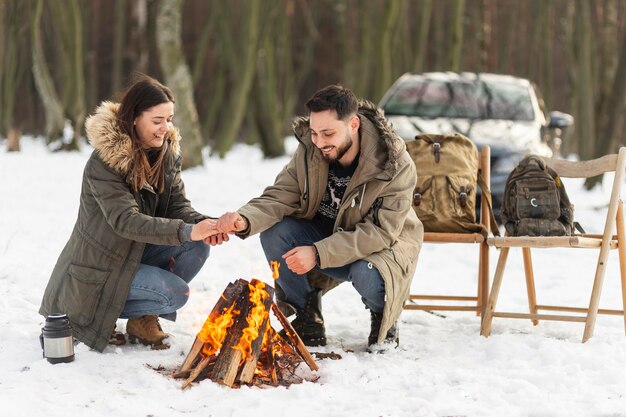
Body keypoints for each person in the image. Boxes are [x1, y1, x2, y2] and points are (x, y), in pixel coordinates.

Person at [217, 85, 423, 350]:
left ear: (354, 124)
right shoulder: (311, 150)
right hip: (327, 238)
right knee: (276, 232)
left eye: (328, 133)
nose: (320, 141)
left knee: (366, 271)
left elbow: (381, 233)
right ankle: (307, 317)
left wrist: (317, 252)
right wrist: (244, 219)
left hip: (380, 250)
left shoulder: (394, 163)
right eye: (314, 132)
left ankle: (384, 316)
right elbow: (281, 194)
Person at [39, 75, 225, 352]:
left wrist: (208, 224)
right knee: (175, 293)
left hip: (135, 253)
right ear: (134, 118)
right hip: (99, 268)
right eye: (157, 120)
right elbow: (125, 221)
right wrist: (186, 229)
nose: (165, 128)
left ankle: (141, 320)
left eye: (170, 119)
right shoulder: (104, 163)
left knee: (196, 244)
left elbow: (177, 208)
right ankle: (103, 316)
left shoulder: (166, 156)